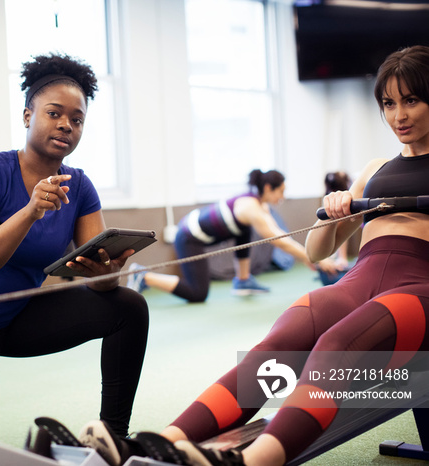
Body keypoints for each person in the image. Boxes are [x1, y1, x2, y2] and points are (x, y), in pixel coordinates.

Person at [76, 44, 429, 466]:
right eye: (389, 103)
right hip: (359, 282)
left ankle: (253, 460)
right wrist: (332, 214)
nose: (399, 116)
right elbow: (319, 252)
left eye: (411, 100)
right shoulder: (375, 170)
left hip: (418, 290)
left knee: (336, 345)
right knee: (280, 343)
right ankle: (156, 444)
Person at [0, 53, 149, 440]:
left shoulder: (80, 186)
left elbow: (100, 282)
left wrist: (108, 275)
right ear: (28, 116)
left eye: (77, 120)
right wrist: (30, 210)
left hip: (17, 318)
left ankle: (113, 437)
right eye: (54, 113)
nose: (66, 125)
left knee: (128, 307)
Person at [127, 169, 337, 301]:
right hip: (188, 236)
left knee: (243, 230)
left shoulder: (257, 204)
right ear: (267, 188)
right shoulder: (252, 209)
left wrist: (310, 259)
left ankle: (243, 280)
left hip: (195, 230)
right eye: (280, 191)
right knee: (198, 293)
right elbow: (280, 240)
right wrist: (315, 258)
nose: (283, 197)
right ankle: (144, 275)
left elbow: (279, 232)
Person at [318, 171, 353, 285]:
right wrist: (341, 258)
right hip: (328, 260)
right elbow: (341, 233)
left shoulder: (341, 200)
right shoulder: (335, 203)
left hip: (328, 258)